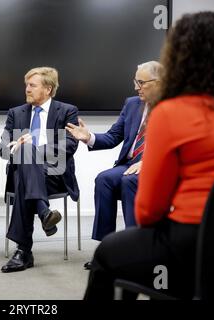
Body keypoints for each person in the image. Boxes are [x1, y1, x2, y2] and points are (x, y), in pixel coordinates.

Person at [84, 11, 214, 299]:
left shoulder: (171, 112)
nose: (137, 88)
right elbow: (114, 137)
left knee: (108, 255)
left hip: (190, 242)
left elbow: (149, 211)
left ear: (179, 58)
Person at [66, 61, 162, 270]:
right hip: (129, 162)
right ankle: (107, 251)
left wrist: (148, 162)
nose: (136, 87)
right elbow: (113, 137)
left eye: (141, 82)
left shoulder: (173, 106)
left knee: (130, 182)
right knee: (104, 179)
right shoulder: (132, 103)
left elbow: (175, 144)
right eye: (135, 81)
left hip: (156, 165)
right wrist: (88, 137)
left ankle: (135, 251)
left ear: (159, 83)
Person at [0, 66, 79, 273]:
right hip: (25, 174)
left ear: (48, 89)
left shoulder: (67, 111)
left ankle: (23, 251)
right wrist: (17, 147)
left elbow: (69, 146)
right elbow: (2, 148)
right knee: (24, 157)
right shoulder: (15, 113)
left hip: (54, 174)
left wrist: (33, 148)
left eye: (32, 85)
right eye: (26, 85)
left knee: (27, 156)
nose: (27, 89)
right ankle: (44, 212)